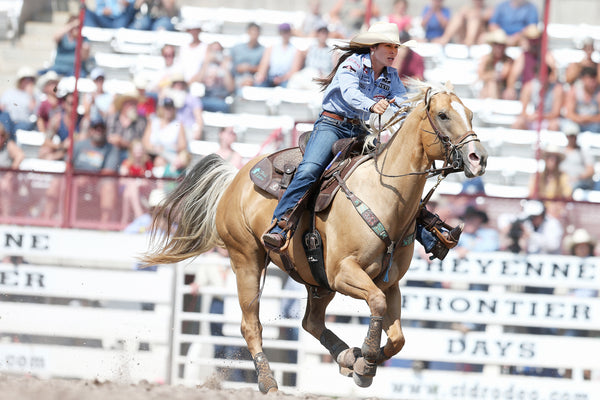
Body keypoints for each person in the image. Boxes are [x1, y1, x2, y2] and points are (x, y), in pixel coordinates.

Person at [261, 22, 462, 258]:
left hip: (359, 130)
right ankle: (280, 225)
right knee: (309, 170)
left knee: (395, 173)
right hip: (331, 126)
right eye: (388, 46)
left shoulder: (391, 75)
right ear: (372, 48)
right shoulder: (352, 64)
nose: (393, 52)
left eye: (396, 47)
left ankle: (428, 235)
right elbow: (350, 92)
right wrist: (372, 104)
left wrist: (421, 106)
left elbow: (401, 100)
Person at [142, 96, 188, 175]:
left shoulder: (178, 125)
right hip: (151, 155)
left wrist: (166, 148)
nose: (168, 110)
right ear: (161, 109)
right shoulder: (153, 122)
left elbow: (182, 146)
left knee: (160, 161)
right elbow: (145, 143)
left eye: (170, 108)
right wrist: (155, 149)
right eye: (166, 108)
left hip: (168, 157)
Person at [511, 63, 564, 131]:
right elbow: (523, 110)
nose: (542, 77)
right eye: (540, 74)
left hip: (548, 120)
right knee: (517, 124)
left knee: (554, 125)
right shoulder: (528, 87)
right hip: (532, 119)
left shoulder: (557, 89)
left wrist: (541, 116)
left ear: (548, 75)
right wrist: (530, 116)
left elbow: (556, 113)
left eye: (544, 75)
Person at [287, 25, 337, 90]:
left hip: (323, 75)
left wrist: (327, 77)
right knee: (294, 79)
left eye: (325, 33)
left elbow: (335, 70)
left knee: (318, 86)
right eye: (321, 33)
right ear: (318, 35)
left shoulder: (332, 51)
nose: (323, 36)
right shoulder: (311, 48)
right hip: (308, 73)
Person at [106, 90, 148, 163]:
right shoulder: (111, 118)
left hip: (131, 156)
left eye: (135, 103)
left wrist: (122, 142)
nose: (133, 106)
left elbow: (141, 144)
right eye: (130, 103)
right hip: (110, 151)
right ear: (123, 104)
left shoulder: (141, 122)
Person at [119, 138, 154, 225]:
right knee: (131, 189)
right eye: (136, 149)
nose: (139, 152)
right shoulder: (127, 163)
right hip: (129, 190)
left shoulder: (148, 164)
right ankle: (139, 216)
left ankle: (125, 221)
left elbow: (150, 181)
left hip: (145, 192)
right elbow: (122, 181)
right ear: (132, 151)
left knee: (129, 192)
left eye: (140, 149)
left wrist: (139, 183)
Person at [194, 41, 235, 113]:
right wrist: (206, 62)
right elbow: (198, 81)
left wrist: (224, 66)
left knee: (223, 106)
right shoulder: (204, 64)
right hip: (205, 97)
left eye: (218, 51)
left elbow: (231, 88)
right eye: (213, 51)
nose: (215, 53)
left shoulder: (227, 65)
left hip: (220, 99)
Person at [254, 23, 299, 88]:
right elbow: (264, 65)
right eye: (283, 32)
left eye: (286, 32)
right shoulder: (271, 48)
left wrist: (281, 79)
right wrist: (261, 76)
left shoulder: (295, 50)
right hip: (271, 77)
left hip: (286, 79)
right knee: (259, 86)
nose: (285, 34)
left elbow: (294, 71)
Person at [477, 29, 514, 99]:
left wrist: (488, 75)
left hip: (501, 90)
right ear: (492, 45)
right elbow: (480, 75)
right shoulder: (486, 58)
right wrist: (491, 75)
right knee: (491, 84)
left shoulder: (508, 61)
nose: (499, 47)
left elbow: (502, 75)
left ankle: (492, 106)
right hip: (486, 88)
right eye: (496, 44)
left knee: (492, 84)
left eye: (501, 45)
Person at [0, 66, 38, 132]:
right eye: (26, 79)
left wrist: (31, 95)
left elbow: (34, 110)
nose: (28, 81)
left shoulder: (35, 94)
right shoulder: (9, 92)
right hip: (9, 122)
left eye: (30, 79)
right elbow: (2, 107)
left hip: (24, 123)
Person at [564, 66, 600, 133]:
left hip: (595, 125)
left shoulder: (598, 93)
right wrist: (580, 119)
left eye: (593, 80)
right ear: (583, 79)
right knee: (570, 128)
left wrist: (587, 119)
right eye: (589, 80)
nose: (592, 84)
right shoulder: (574, 91)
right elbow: (569, 114)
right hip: (577, 123)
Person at [560, 123, 595, 191]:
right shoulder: (560, 152)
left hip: (578, 184)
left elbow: (591, 170)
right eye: (570, 136)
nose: (572, 138)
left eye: (573, 136)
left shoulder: (583, 152)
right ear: (566, 136)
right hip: (563, 183)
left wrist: (577, 178)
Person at [229, 22, 265, 90]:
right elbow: (230, 64)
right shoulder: (237, 48)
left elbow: (264, 67)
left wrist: (249, 68)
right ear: (248, 32)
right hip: (236, 77)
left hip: (254, 78)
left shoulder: (263, 50)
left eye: (256, 32)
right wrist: (237, 68)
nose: (254, 34)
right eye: (252, 31)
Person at [0, 122, 25, 217]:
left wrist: (10, 173)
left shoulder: (8, 145)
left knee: (4, 186)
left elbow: (20, 155)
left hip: (8, 180)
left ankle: (6, 217)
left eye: (1, 136)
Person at [169, 74, 204, 140]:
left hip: (187, 129)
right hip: (173, 129)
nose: (179, 85)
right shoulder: (168, 98)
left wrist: (197, 131)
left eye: (181, 83)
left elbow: (199, 118)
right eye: (176, 83)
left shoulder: (193, 99)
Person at [176, 19, 207, 84]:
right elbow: (179, 66)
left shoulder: (205, 47)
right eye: (191, 30)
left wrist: (191, 82)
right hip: (182, 83)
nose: (194, 32)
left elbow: (204, 67)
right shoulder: (183, 47)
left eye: (196, 30)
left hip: (198, 84)